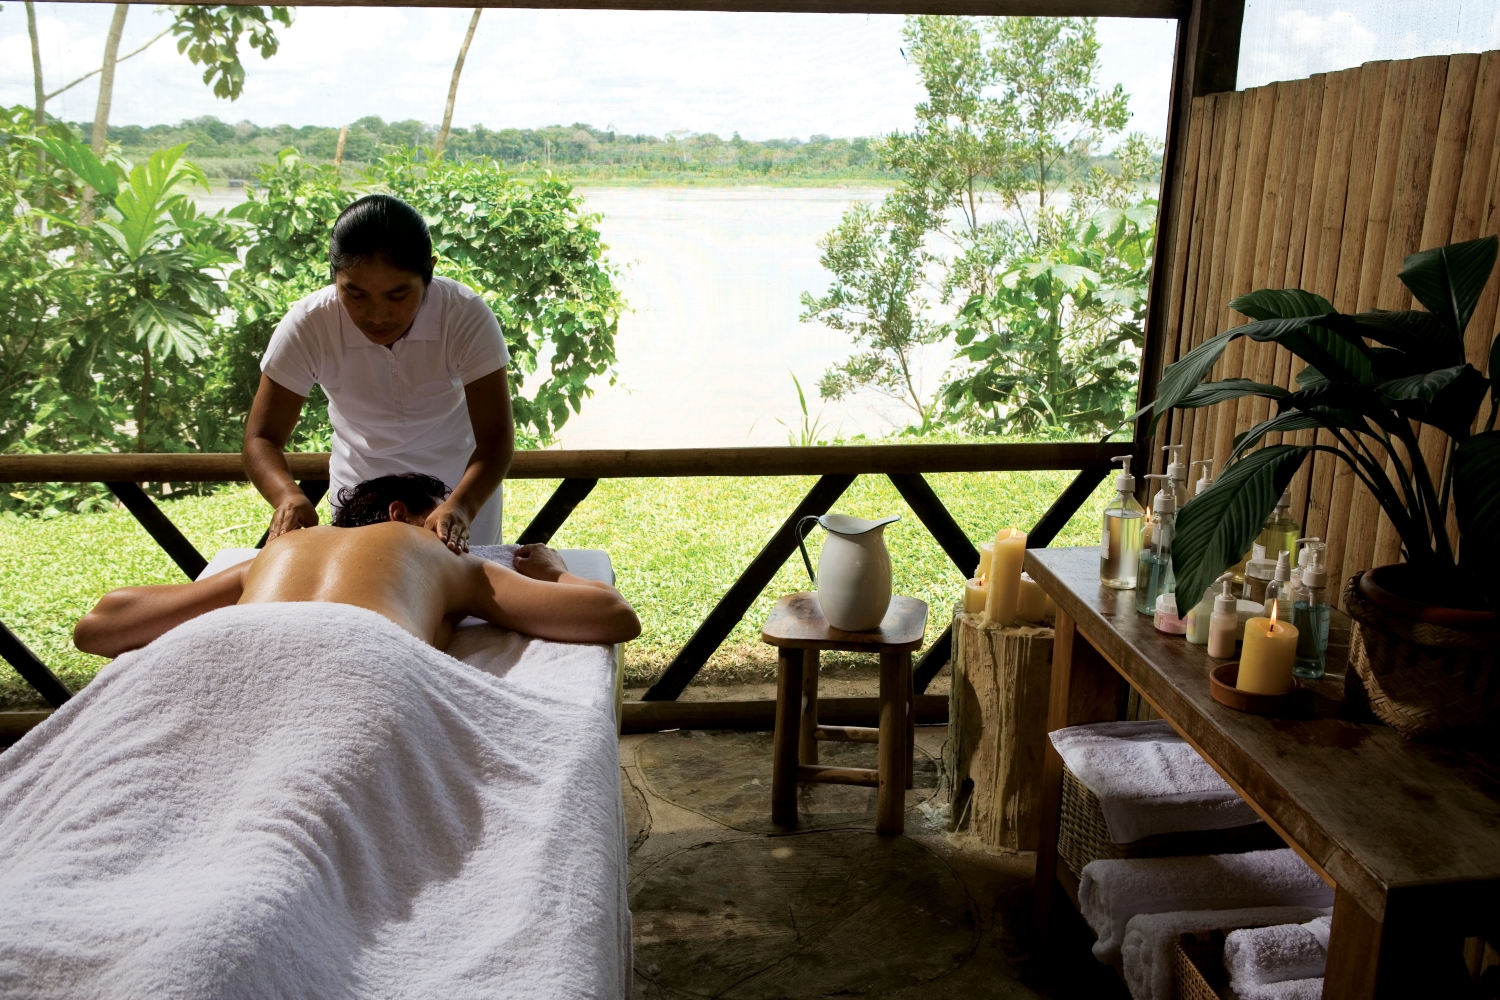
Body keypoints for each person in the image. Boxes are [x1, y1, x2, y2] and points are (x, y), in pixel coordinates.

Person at [74, 474, 639, 658]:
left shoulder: (282, 552)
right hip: (360, 659)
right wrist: (553, 570)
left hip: (234, 649)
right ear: (404, 513)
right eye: (444, 514)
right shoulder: (437, 554)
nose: (457, 532)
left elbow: (101, 625)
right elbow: (611, 616)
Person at [244, 195, 514, 554]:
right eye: (354, 293)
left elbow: (495, 439)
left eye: (398, 294)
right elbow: (261, 438)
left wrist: (461, 506)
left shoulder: (463, 315)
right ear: (334, 274)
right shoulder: (310, 324)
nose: (377, 315)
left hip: (459, 493)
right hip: (359, 496)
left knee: (461, 600)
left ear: (429, 271)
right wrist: (288, 496)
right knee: (364, 590)